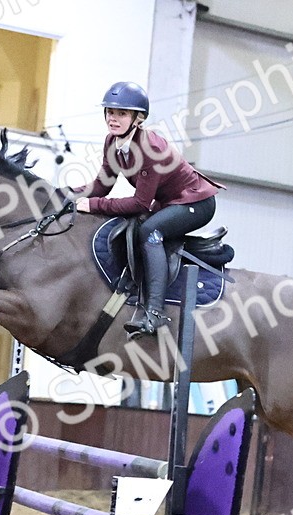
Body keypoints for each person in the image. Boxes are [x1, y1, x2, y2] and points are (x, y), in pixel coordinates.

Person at [74, 81, 222, 338]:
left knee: (150, 231)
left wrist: (93, 205)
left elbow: (140, 204)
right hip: (170, 203)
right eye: (110, 112)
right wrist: (65, 195)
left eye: (121, 113)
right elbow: (101, 186)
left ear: (138, 118)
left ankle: (154, 314)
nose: (113, 118)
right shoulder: (112, 142)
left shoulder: (149, 148)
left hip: (196, 203)